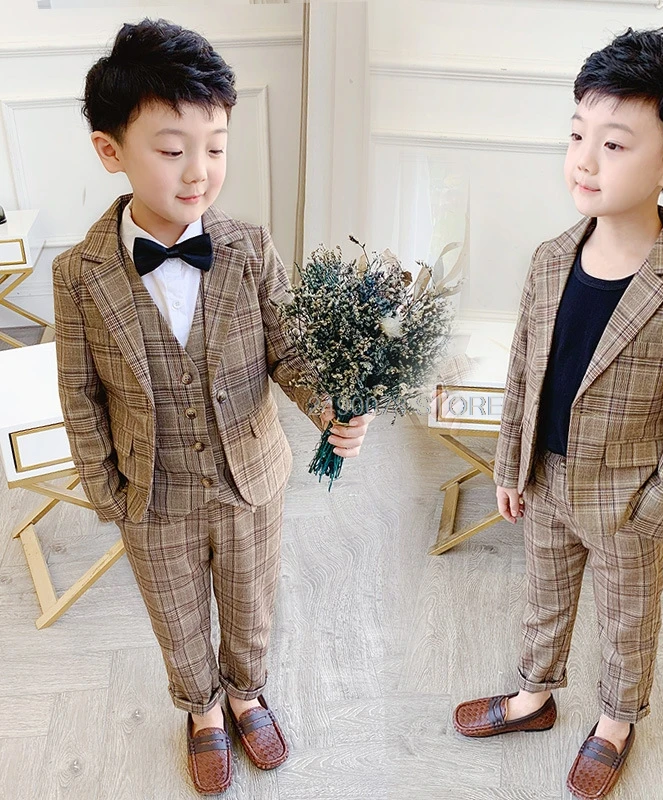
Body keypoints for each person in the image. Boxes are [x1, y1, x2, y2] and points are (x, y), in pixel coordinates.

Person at [53, 19, 373, 795]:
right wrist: (108, 493)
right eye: (172, 151)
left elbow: (289, 351)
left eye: (216, 148)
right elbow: (79, 392)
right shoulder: (79, 274)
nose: (199, 171)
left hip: (248, 479)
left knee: (251, 601)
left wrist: (332, 407)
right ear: (110, 151)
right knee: (176, 613)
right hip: (151, 492)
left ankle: (246, 693)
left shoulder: (250, 248)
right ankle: (200, 709)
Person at [451, 26, 663, 800]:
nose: (583, 159)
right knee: (542, 596)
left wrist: (654, 511)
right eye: (578, 135)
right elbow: (522, 374)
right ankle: (534, 695)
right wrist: (510, 467)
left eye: (613, 145)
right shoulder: (551, 258)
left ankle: (615, 720)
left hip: (627, 499)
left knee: (627, 616)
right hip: (546, 478)